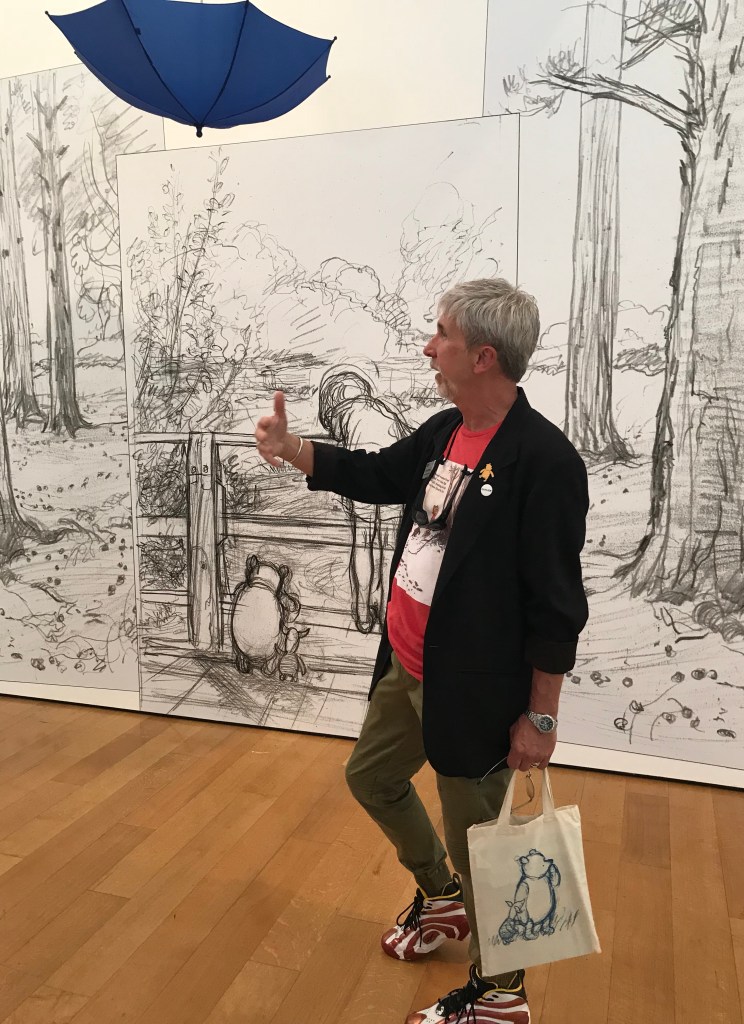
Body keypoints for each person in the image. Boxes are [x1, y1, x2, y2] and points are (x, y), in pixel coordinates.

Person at [255, 278, 589, 1024]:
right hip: (407, 667)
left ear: (483, 356)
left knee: (482, 849)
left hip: (472, 692)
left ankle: (501, 994)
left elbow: (557, 607)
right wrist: (293, 449)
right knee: (372, 778)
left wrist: (540, 717)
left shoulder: (545, 462)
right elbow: (375, 473)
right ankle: (441, 898)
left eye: (442, 335)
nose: (428, 347)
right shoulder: (444, 431)